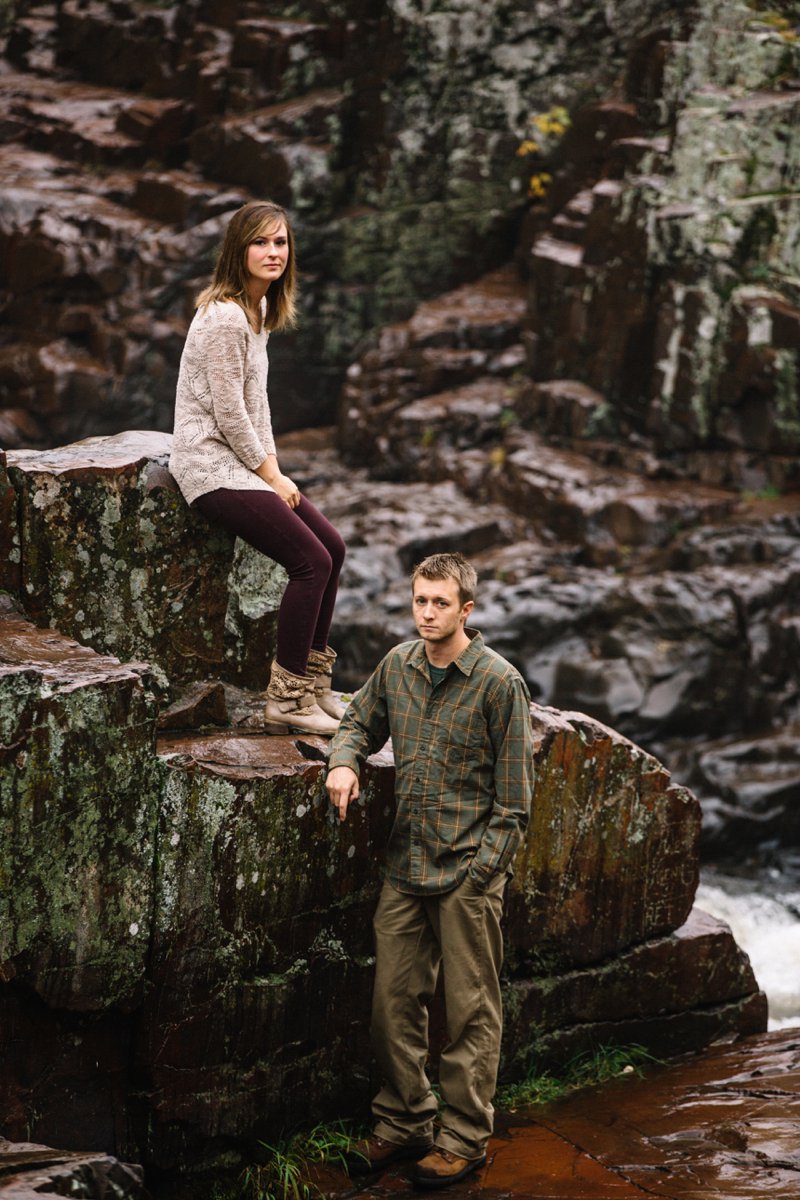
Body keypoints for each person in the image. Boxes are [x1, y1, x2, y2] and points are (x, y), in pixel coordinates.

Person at [326, 552, 534, 1190]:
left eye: (440, 603)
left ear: (466, 610)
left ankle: (465, 1138)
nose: (426, 612)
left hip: (467, 876)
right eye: (419, 600)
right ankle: (404, 1122)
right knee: (392, 1005)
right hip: (405, 867)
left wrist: (481, 876)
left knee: (470, 1013)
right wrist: (345, 762)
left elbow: (515, 801)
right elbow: (358, 720)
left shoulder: (500, 684)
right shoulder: (398, 666)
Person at [169, 200, 345, 736]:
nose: (273, 252)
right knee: (310, 562)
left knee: (332, 548)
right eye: (261, 242)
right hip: (207, 465)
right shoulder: (224, 316)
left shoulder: (259, 310)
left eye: (281, 242)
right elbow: (227, 412)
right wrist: (270, 475)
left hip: (239, 462)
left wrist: (275, 468)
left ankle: (313, 686)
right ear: (238, 250)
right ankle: (286, 700)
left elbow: (258, 406)